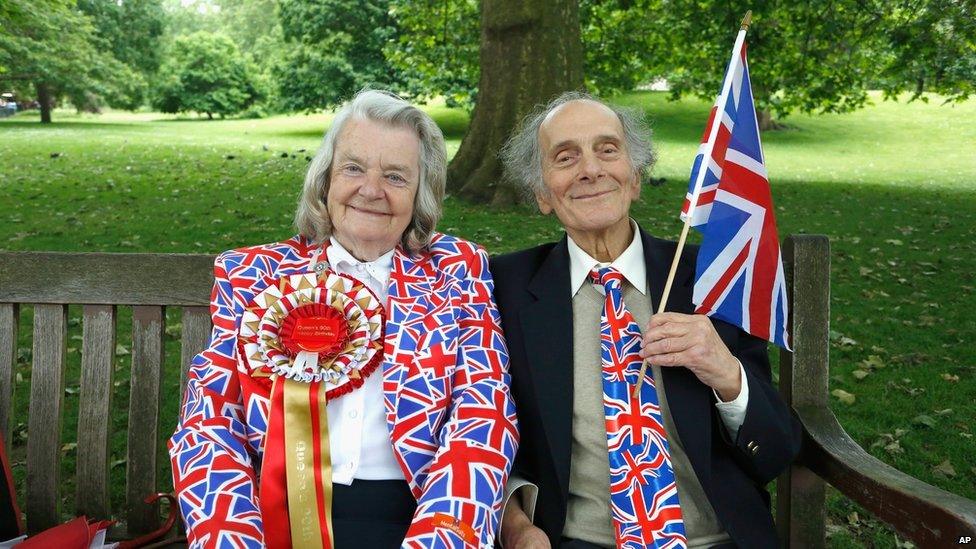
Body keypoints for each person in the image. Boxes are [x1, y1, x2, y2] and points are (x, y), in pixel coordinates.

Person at [169, 89, 518, 548]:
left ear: (420, 193)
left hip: (414, 515)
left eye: (395, 176)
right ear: (325, 180)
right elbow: (208, 421)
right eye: (353, 168)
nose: (371, 190)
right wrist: (234, 538)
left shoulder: (458, 271)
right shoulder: (255, 274)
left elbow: (484, 412)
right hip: (272, 517)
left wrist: (439, 540)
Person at [491, 92, 801, 549]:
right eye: (565, 156)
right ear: (541, 193)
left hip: (715, 541)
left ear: (635, 177)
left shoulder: (710, 278)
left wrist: (726, 371)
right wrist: (515, 525)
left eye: (608, 149)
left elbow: (776, 450)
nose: (591, 169)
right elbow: (477, 430)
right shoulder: (507, 287)